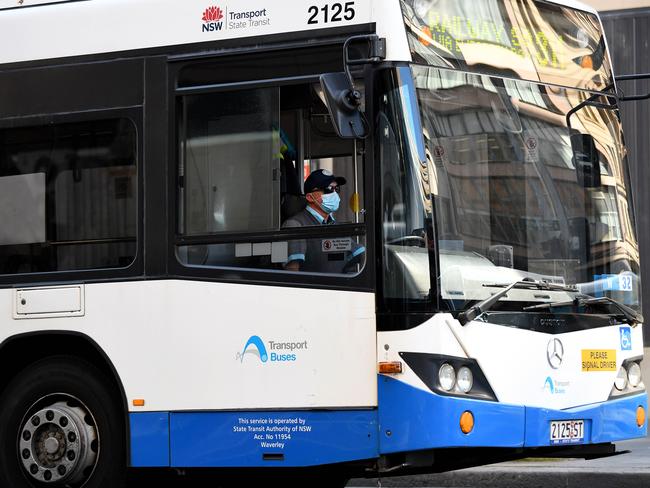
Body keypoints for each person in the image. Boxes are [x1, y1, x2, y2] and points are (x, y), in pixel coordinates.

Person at [282, 169, 365, 273]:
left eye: (336, 189)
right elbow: (293, 272)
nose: (334, 194)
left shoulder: (334, 224)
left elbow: (360, 256)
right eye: (329, 189)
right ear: (309, 197)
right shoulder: (296, 225)